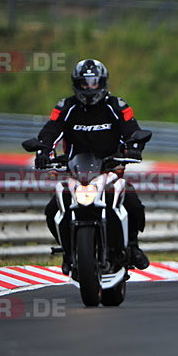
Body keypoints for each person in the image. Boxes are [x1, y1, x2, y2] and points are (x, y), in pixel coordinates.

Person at [34, 58, 150, 271]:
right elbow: (51, 130)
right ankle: (69, 251)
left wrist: (134, 146)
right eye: (84, 83)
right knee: (52, 209)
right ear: (76, 83)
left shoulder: (117, 105)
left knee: (133, 204)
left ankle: (133, 246)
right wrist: (43, 150)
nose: (89, 88)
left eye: (93, 82)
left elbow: (131, 129)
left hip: (110, 170)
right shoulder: (65, 107)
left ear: (102, 82)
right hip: (75, 174)